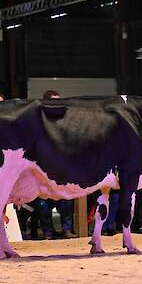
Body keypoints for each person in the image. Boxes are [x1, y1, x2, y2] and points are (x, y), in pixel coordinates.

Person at [38, 90, 76, 239]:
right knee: (42, 204)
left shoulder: (64, 122)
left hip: (61, 171)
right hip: (42, 171)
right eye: (54, 101)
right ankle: (47, 232)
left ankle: (67, 229)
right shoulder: (39, 121)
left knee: (67, 201)